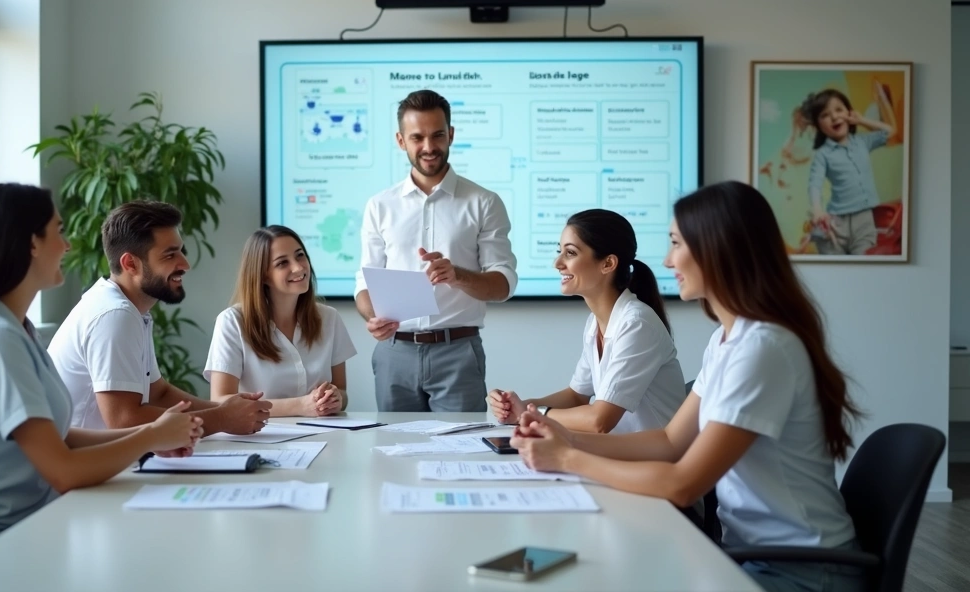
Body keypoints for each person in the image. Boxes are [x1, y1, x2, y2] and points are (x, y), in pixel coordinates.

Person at [511, 181, 864, 592]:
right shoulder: (727, 340)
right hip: (751, 556)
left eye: (677, 243)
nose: (666, 259)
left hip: (799, 570)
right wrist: (567, 438)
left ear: (719, 250)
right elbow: (668, 442)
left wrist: (569, 458)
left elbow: (683, 483)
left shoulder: (763, 349)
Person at [0, 183, 203, 541]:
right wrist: (149, 436)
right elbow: (62, 470)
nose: (67, 245)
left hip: (36, 524)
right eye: (59, 232)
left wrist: (152, 437)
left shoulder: (16, 329)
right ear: (31, 244)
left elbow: (60, 438)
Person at [354, 89, 517, 412]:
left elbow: (503, 284)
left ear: (451, 135)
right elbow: (364, 284)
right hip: (394, 353)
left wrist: (457, 276)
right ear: (401, 141)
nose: (428, 147)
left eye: (437, 135)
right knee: (393, 453)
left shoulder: (484, 202)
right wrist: (373, 317)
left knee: (460, 453)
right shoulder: (379, 206)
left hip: (457, 352)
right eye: (417, 137)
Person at [48, 200, 271, 435]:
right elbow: (124, 420)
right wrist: (222, 418)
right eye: (170, 255)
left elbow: (159, 392)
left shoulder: (126, 309)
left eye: (181, 251)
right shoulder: (115, 315)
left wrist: (225, 409)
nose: (185, 264)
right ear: (130, 263)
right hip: (91, 467)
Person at [487, 209, 685, 434]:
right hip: (621, 454)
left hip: (655, 460)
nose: (557, 263)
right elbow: (576, 396)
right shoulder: (596, 322)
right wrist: (518, 407)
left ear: (608, 263)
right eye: (559, 251)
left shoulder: (637, 323)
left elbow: (599, 421)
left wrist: (531, 414)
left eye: (570, 253)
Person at [205, 226, 357, 417]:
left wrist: (336, 400)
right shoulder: (232, 321)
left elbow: (342, 392)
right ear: (262, 275)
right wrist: (300, 406)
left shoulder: (329, 318)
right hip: (260, 436)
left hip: (324, 434)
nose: (299, 267)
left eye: (300, 255)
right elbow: (220, 401)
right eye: (282, 263)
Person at [805, 86, 895, 255]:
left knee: (864, 268)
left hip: (864, 219)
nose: (834, 117)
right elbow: (814, 184)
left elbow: (890, 132)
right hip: (836, 224)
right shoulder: (823, 154)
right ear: (818, 125)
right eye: (825, 115)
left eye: (839, 110)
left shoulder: (862, 142)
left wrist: (862, 121)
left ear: (849, 113)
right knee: (834, 273)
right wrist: (817, 209)